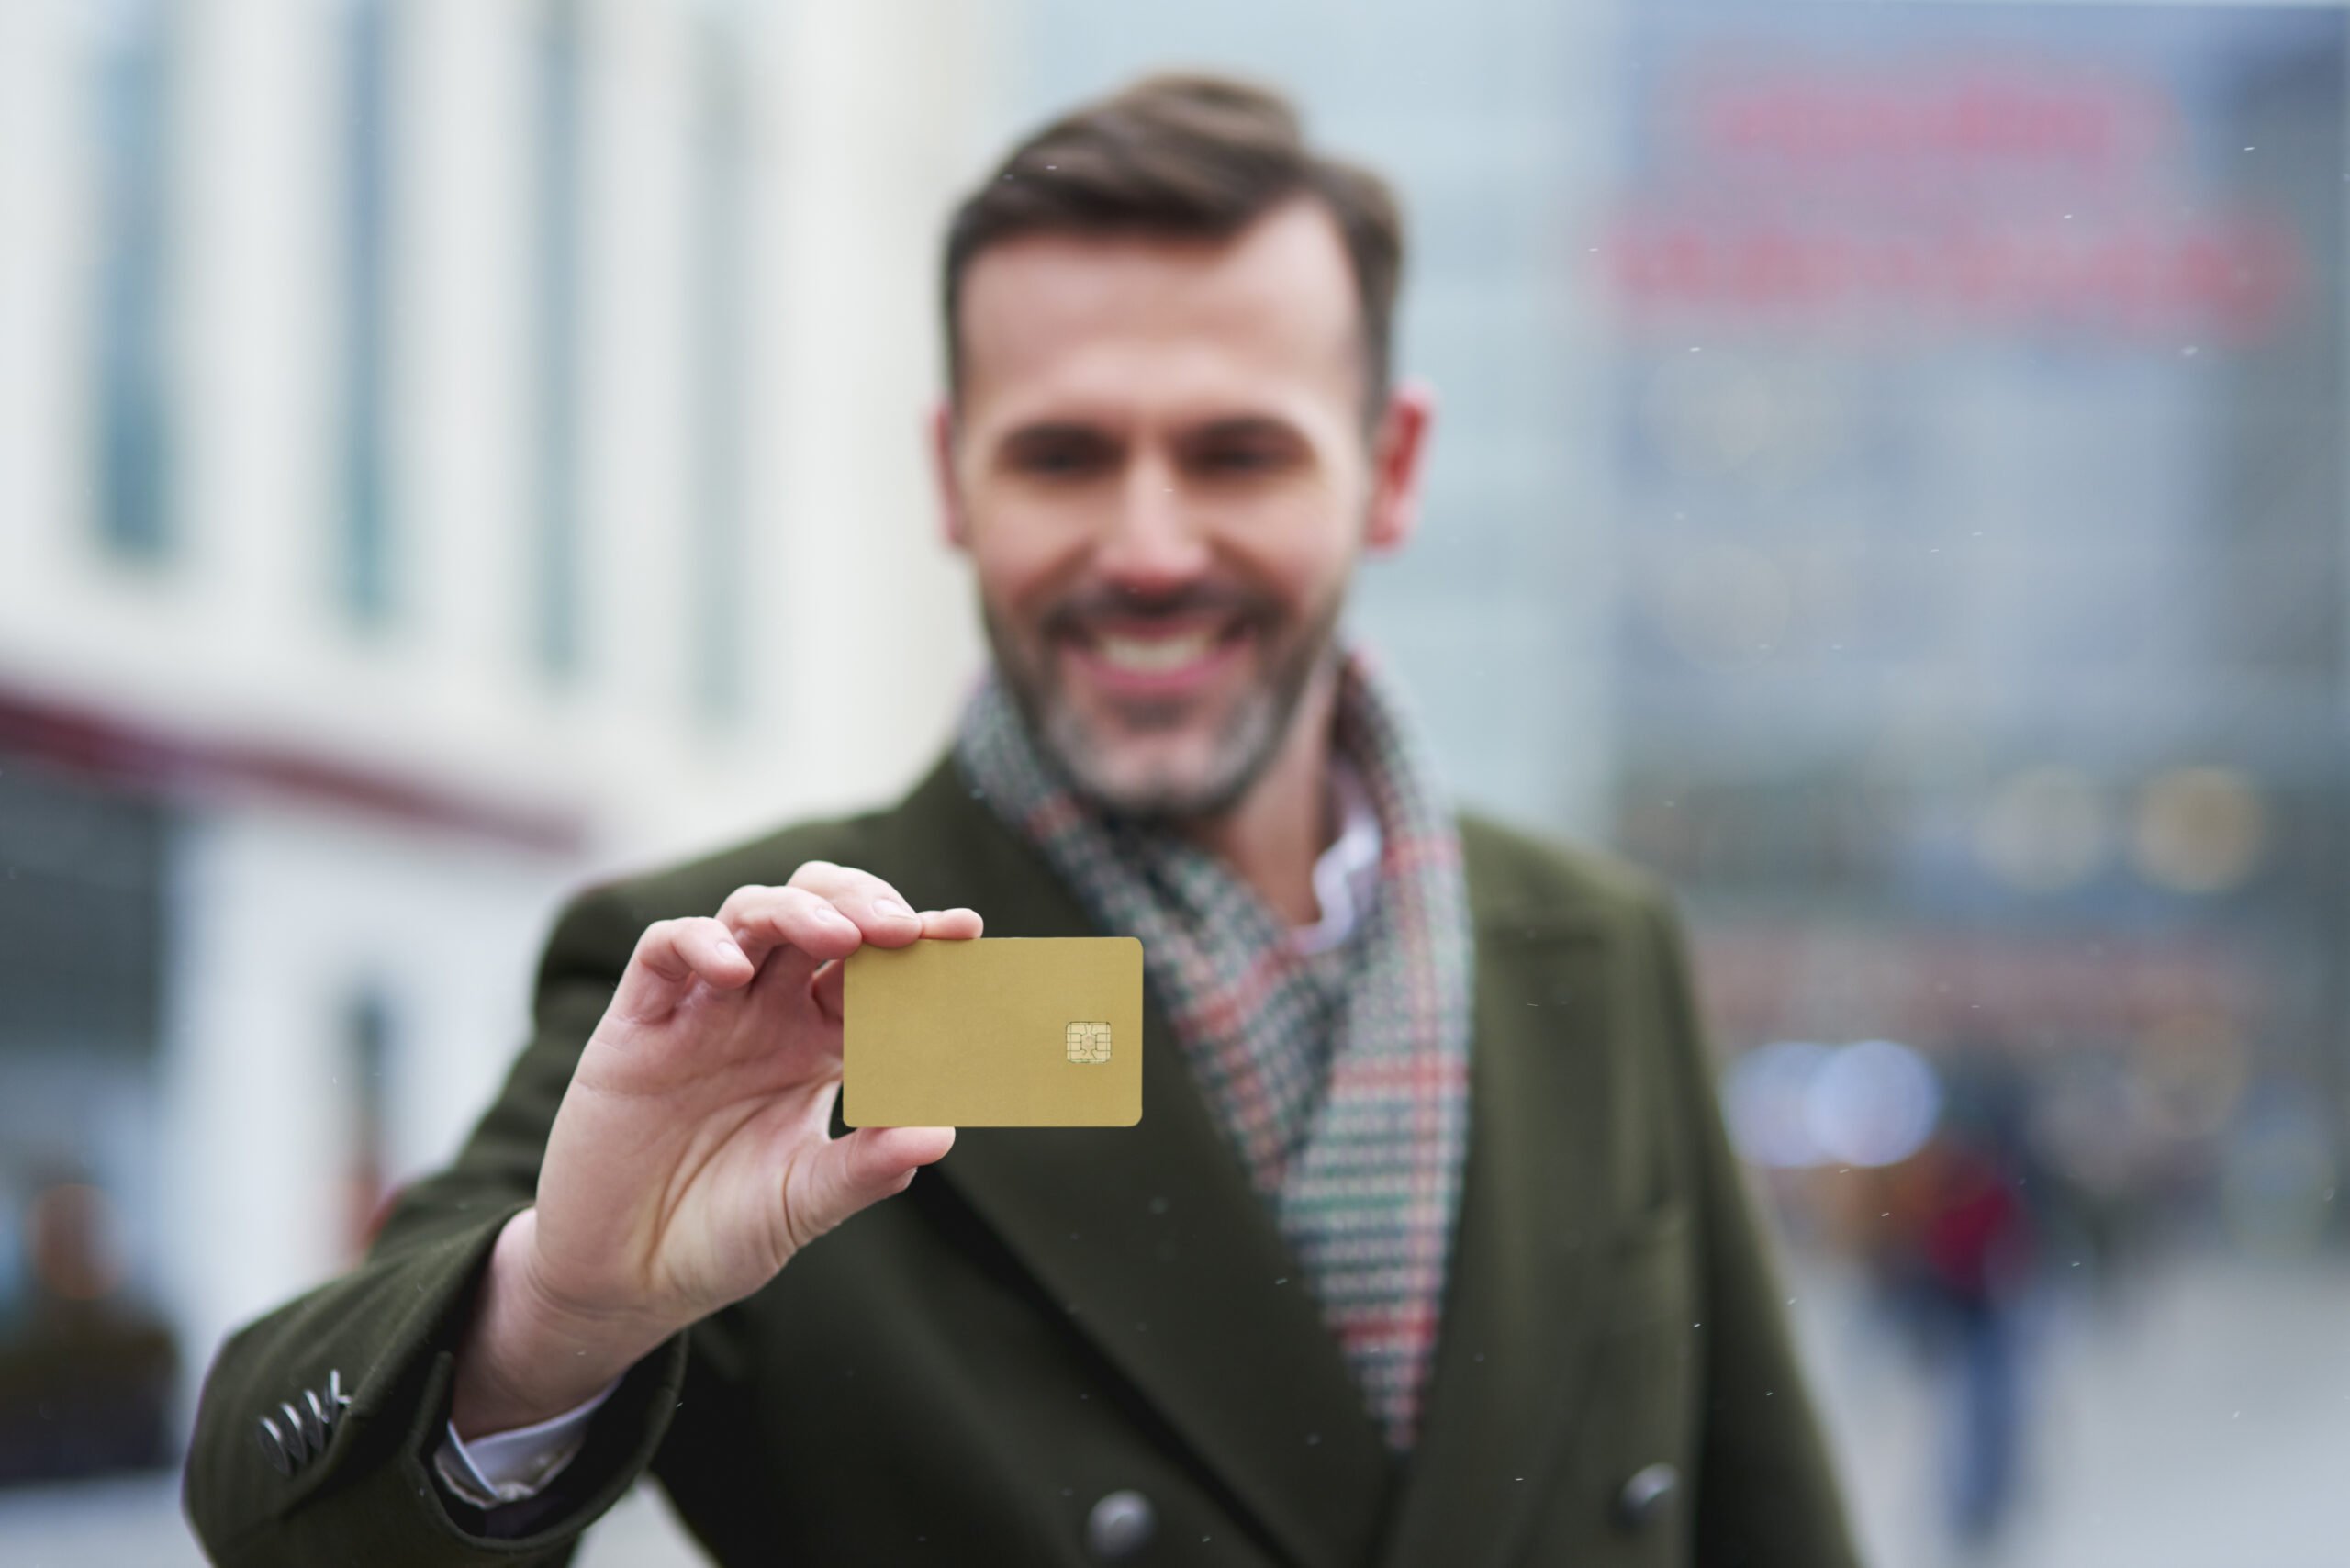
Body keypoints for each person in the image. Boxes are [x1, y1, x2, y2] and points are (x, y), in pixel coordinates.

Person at [184, 73, 1856, 1567]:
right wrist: (561, 1310)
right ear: (950, 478)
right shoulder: (762, 978)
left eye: (1236, 454)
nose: (1146, 545)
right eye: (1062, 456)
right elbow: (273, 1520)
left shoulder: (1593, 944)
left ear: (1390, 469)